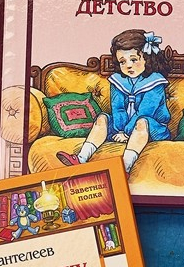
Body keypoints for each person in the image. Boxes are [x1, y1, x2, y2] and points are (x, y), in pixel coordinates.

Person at [56, 29, 172, 175]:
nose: (128, 65)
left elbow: (145, 111)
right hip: (122, 129)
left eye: (133, 60)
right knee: (102, 118)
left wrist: (127, 133)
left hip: (152, 129)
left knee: (142, 121)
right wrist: (120, 130)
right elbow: (118, 108)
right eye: (123, 61)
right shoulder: (118, 81)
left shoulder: (155, 83)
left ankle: (124, 168)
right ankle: (81, 158)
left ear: (147, 59)